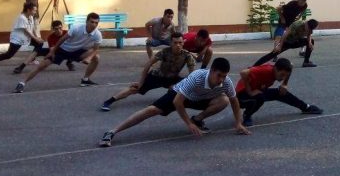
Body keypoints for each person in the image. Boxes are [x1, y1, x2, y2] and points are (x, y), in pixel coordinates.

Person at [99, 57, 249, 147]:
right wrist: (187, 124)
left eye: (224, 76)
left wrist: (238, 123)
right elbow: (178, 102)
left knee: (223, 100)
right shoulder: (197, 77)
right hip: (178, 95)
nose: (221, 80)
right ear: (211, 71)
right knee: (151, 110)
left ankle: (198, 119)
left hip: (200, 99)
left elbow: (234, 100)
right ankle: (112, 132)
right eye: (219, 75)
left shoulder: (226, 82)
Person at [100, 32, 196, 111]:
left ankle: (164, 102)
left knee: (177, 88)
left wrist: (188, 87)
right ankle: (108, 101)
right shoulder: (165, 51)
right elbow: (148, 64)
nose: (178, 45)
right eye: (175, 43)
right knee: (134, 89)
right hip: (157, 76)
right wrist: (141, 82)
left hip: (172, 78)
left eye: (180, 42)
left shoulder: (187, 55)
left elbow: (192, 74)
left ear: (183, 42)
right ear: (171, 43)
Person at [14, 12, 102, 93]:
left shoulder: (97, 34)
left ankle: (85, 80)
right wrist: (52, 52)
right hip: (62, 50)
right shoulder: (76, 28)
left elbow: (95, 49)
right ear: (87, 22)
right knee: (42, 65)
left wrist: (89, 58)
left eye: (96, 23)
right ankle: (22, 83)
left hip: (77, 52)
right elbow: (61, 39)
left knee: (96, 57)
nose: (94, 24)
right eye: (92, 22)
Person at [236, 58, 323, 126]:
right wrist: (250, 92)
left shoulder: (279, 70)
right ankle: (247, 116)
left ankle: (306, 108)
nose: (282, 77)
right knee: (259, 97)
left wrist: (284, 84)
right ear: (276, 69)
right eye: (282, 75)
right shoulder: (265, 70)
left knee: (281, 92)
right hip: (241, 97)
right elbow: (243, 73)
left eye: (285, 75)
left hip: (258, 90)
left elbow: (291, 66)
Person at [0, 2, 44, 70]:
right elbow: (27, 31)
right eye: (34, 10)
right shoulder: (22, 18)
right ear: (28, 10)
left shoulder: (30, 17)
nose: (35, 12)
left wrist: (37, 37)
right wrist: (36, 38)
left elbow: (32, 28)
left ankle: (31, 59)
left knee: (39, 44)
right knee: (8, 55)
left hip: (26, 38)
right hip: (17, 40)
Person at [254, 19, 318, 67]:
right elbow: (285, 34)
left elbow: (309, 35)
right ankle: (254, 67)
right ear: (306, 24)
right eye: (309, 29)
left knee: (311, 41)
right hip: (286, 42)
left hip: (296, 41)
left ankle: (306, 62)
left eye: (311, 29)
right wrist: (279, 46)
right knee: (272, 54)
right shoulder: (297, 24)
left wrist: (309, 43)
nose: (309, 31)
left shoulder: (310, 28)